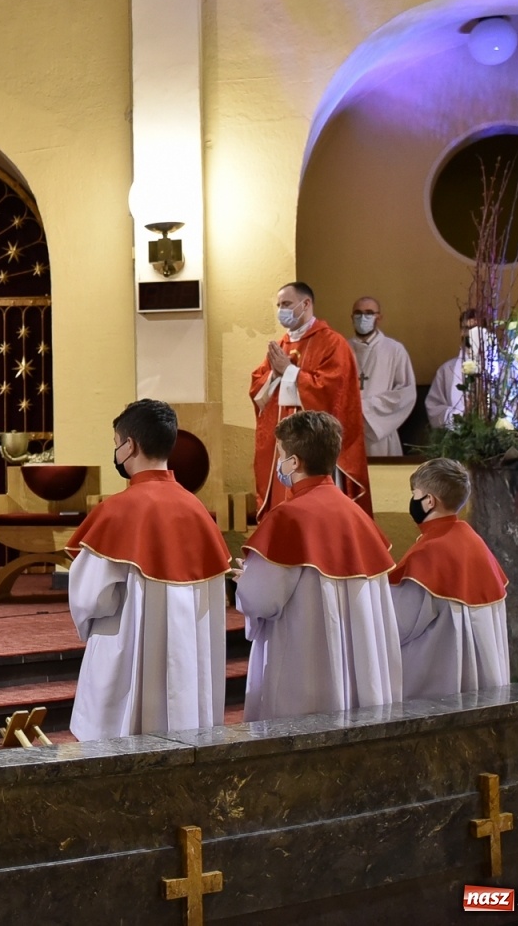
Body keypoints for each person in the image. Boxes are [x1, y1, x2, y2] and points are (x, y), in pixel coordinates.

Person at [63, 399, 231, 740]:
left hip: (127, 645)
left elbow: (90, 598)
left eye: (116, 444)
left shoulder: (118, 511)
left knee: (119, 737)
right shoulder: (197, 510)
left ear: (130, 446)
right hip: (188, 654)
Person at [236, 410, 402, 721]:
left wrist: (245, 580)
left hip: (305, 674)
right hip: (359, 673)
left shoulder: (288, 518)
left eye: (281, 455)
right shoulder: (357, 517)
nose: (279, 465)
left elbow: (260, 599)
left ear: (294, 462)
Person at [389, 458, 510, 700]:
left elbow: (397, 626)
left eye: (415, 494)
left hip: (436, 691)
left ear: (429, 501)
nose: (413, 501)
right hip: (483, 684)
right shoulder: (476, 543)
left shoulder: (429, 552)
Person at [248, 281, 371, 518]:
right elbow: (257, 389)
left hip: (315, 446)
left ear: (305, 304)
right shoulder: (282, 344)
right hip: (284, 445)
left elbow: (333, 393)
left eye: (286, 304)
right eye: (279, 305)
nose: (281, 310)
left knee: (316, 511)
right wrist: (275, 373)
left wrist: (290, 371)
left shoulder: (332, 343)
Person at [347, 296, 416, 457]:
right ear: (351, 317)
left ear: (379, 317)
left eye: (369, 313)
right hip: (348, 430)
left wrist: (365, 407)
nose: (363, 317)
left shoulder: (394, 350)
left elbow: (406, 393)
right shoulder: (341, 349)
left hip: (380, 432)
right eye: (358, 313)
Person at [424, 309, 483, 429]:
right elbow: (433, 406)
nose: (470, 333)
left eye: (476, 328)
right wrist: (460, 415)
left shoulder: (501, 368)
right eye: (466, 328)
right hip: (457, 441)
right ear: (461, 332)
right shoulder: (447, 370)